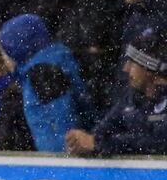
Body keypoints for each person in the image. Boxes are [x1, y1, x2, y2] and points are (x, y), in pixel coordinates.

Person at [66, 28, 167, 156]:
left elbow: (158, 143)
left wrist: (101, 144)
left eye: (133, 63)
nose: (125, 69)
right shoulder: (130, 99)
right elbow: (101, 132)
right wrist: (80, 142)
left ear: (150, 70)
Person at [0, 14, 91, 152]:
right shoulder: (40, 70)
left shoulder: (43, 74)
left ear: (19, 48)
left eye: (5, 52)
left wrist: (57, 161)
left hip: (59, 162)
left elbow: (62, 123)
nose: (4, 59)